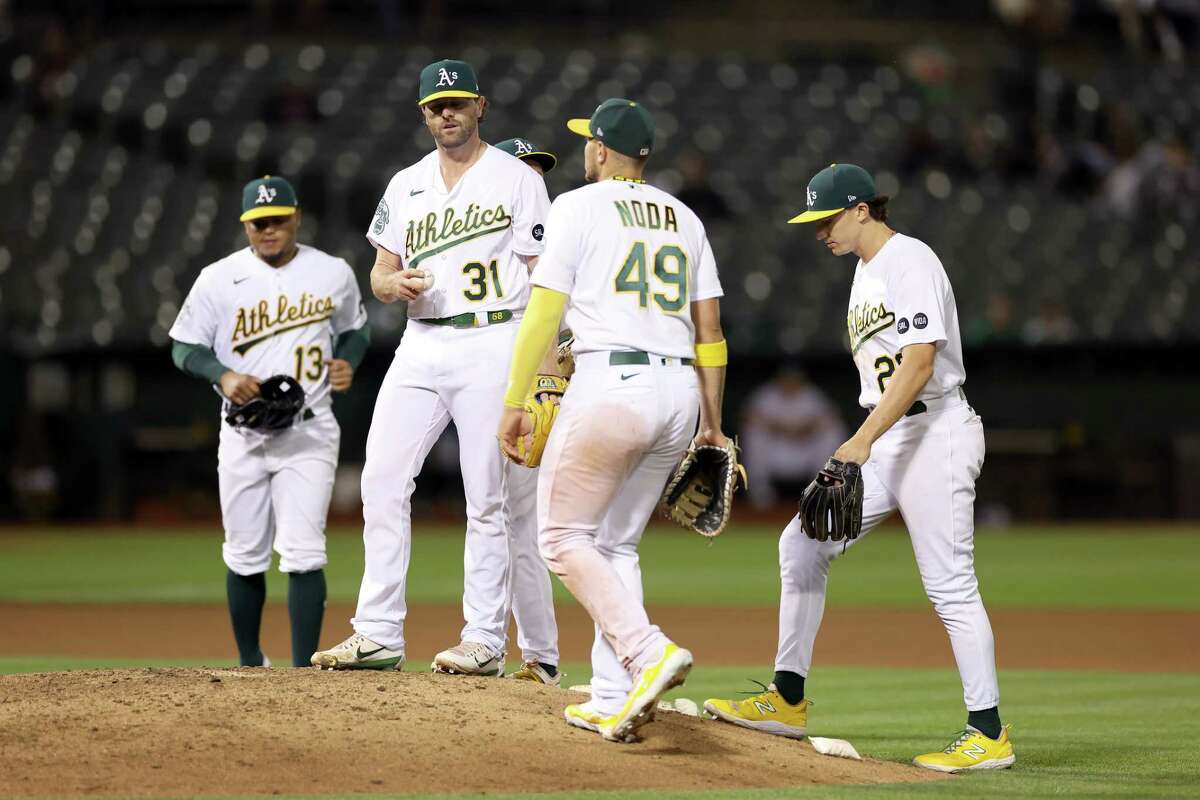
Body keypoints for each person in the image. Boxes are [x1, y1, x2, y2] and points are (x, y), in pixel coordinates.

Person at [704, 163, 1015, 773]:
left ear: (863, 209)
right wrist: (871, 439)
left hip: (934, 430)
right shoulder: (864, 272)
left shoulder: (910, 260)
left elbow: (920, 364)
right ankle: (787, 701)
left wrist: (859, 442)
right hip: (891, 433)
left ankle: (989, 731)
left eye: (828, 218)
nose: (820, 231)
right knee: (800, 546)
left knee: (950, 584)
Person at [312, 59, 560, 683]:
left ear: (482, 106)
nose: (445, 112)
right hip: (419, 343)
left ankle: (482, 640)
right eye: (434, 105)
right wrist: (390, 284)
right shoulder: (406, 183)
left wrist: (549, 361)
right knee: (381, 481)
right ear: (422, 113)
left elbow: (545, 277)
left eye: (456, 102)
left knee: (488, 497)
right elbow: (379, 270)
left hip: (493, 337)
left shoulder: (517, 179)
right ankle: (376, 632)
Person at [497, 98, 730, 743]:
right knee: (614, 543)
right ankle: (614, 695)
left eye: (586, 144)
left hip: (611, 382)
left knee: (561, 537)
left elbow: (544, 313)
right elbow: (710, 332)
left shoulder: (575, 205)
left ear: (599, 149)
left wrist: (517, 399)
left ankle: (644, 651)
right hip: (679, 390)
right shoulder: (686, 218)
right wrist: (711, 423)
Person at [169, 175, 369, 668]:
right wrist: (221, 373)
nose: (268, 229)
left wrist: (349, 361)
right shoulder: (218, 278)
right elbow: (183, 346)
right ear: (245, 225)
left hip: (309, 428)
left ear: (297, 217)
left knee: (304, 552)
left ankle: (303, 672)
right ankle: (249, 664)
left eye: (277, 220)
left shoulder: (332, 272)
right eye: (258, 223)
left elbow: (356, 330)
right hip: (242, 433)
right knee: (242, 552)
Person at [740, 367, 846, 510]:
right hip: (775, 449)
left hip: (806, 449)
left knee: (833, 432)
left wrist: (804, 429)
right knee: (753, 434)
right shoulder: (767, 395)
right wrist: (782, 429)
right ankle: (760, 493)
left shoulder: (811, 395)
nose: (790, 383)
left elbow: (830, 419)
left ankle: (822, 491)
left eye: (794, 379)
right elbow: (749, 417)